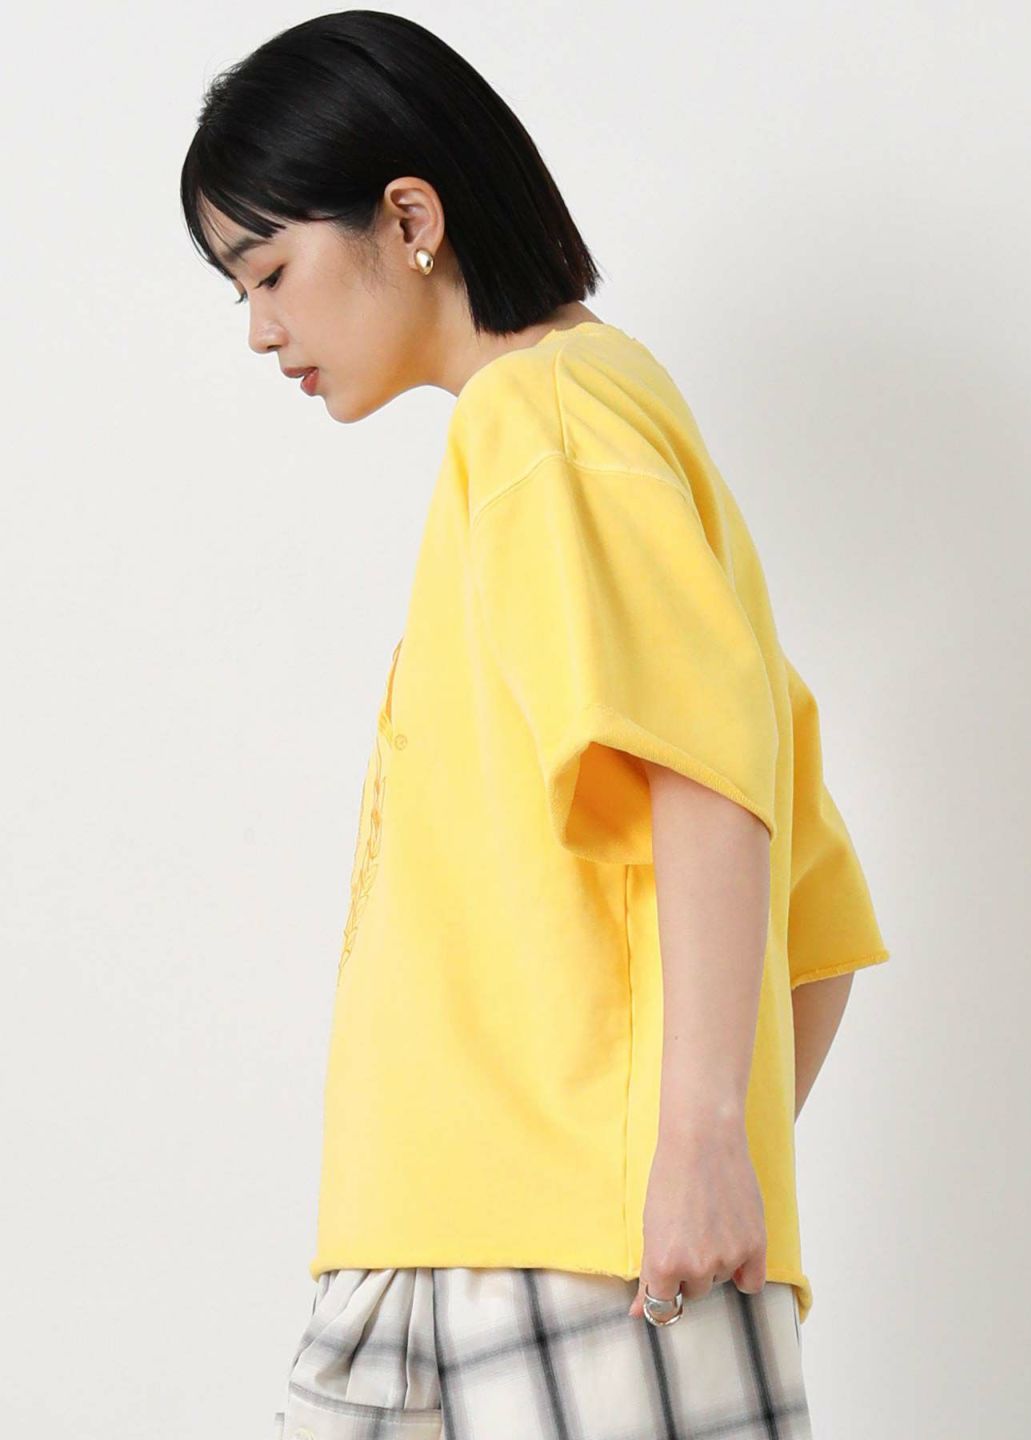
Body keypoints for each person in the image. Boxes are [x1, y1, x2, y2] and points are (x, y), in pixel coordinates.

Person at [180, 12, 890, 1439]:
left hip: (553, 1261)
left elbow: (716, 790)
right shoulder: (589, 426)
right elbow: (815, 911)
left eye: (270, 271)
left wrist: (691, 1146)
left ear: (409, 219)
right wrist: (693, 1147)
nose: (258, 328)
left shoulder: (546, 423)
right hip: (454, 1240)